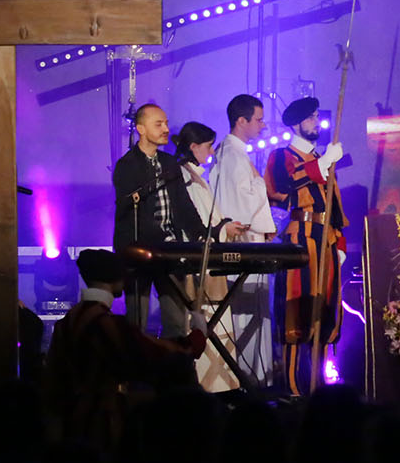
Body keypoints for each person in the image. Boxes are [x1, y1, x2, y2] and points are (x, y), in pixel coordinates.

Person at [43, 247, 206, 449]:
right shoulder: (105, 323)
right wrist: (198, 335)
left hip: (69, 429)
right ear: (114, 279)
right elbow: (159, 353)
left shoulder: (66, 322)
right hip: (98, 429)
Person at [265, 95, 347, 394]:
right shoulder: (281, 156)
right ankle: (292, 388)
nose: (317, 122)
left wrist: (340, 245)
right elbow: (283, 185)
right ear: (297, 123)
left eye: (316, 116)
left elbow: (335, 205)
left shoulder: (322, 159)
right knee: (296, 310)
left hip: (326, 237)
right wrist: (322, 163)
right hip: (300, 236)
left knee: (323, 311)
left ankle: (318, 388)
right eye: (311, 118)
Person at [111, 102, 207, 337]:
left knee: (175, 321)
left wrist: (201, 233)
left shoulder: (169, 163)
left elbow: (184, 205)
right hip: (139, 252)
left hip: (170, 252)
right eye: (159, 124)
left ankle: (173, 369)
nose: (165, 128)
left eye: (165, 123)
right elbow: (131, 211)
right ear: (141, 129)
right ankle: (136, 372)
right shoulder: (127, 165)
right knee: (137, 323)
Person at [174, 120, 247, 392]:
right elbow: (197, 223)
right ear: (193, 146)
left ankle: (221, 383)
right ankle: (210, 385)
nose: (210, 151)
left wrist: (224, 226)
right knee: (207, 321)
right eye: (207, 146)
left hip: (210, 255)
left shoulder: (195, 175)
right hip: (200, 262)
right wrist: (223, 229)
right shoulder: (185, 177)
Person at [211, 94, 277, 389]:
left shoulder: (235, 153)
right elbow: (239, 207)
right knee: (247, 313)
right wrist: (260, 184)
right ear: (241, 121)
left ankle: (256, 379)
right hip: (243, 244)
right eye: (259, 119)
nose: (263, 125)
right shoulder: (232, 156)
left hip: (252, 239)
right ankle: (251, 381)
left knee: (256, 312)